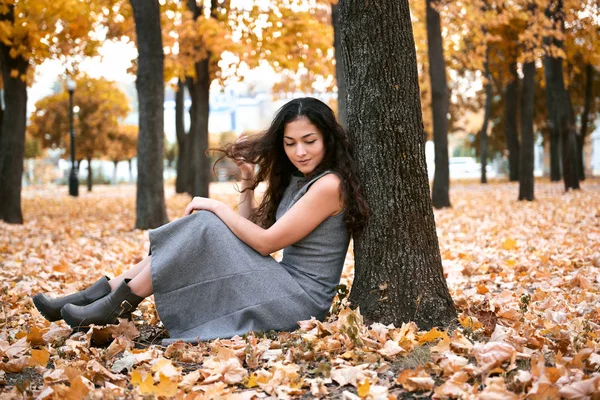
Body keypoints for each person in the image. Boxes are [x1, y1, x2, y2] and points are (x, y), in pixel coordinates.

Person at [33, 97, 369, 345]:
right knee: (207, 225)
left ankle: (110, 302)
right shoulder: (301, 179)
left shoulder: (330, 185)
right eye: (290, 143)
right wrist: (248, 182)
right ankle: (99, 297)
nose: (300, 152)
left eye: (309, 141)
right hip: (280, 284)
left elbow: (267, 243)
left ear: (328, 138)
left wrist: (213, 206)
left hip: (299, 301)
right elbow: (243, 237)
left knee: (207, 222)